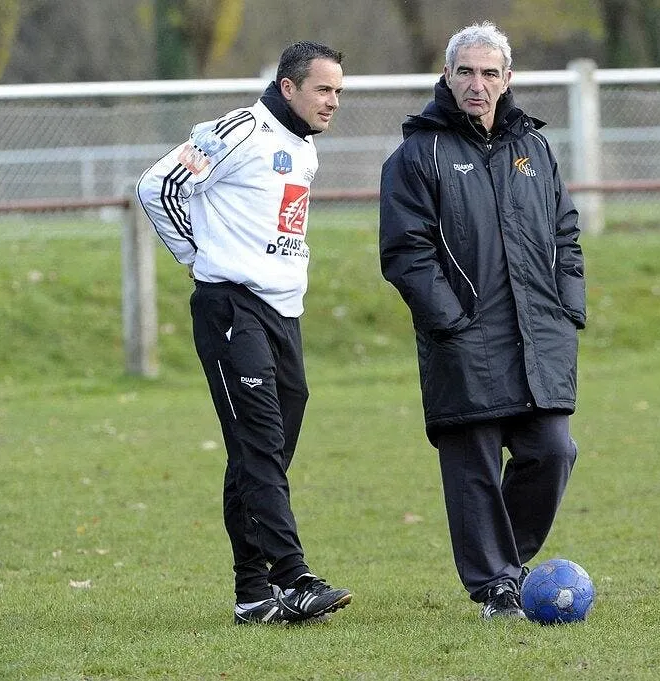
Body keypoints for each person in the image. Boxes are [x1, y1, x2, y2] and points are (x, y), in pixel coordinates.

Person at [136, 41, 353, 625]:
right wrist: (197, 256)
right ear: (289, 87)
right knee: (258, 443)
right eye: (323, 90)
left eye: (338, 91)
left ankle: (253, 596)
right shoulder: (237, 132)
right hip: (232, 308)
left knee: (260, 455)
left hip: (284, 314)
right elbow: (157, 187)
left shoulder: (303, 150)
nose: (334, 102)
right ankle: (293, 578)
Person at [378, 21, 586, 621]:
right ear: (446, 76)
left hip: (538, 337)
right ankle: (495, 586)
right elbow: (405, 252)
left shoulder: (534, 149)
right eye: (465, 71)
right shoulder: (419, 154)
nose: (477, 83)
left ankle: (507, 565)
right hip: (463, 339)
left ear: (507, 79)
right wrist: (450, 320)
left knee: (553, 450)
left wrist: (567, 304)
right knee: (472, 468)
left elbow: (566, 233)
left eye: (489, 73)